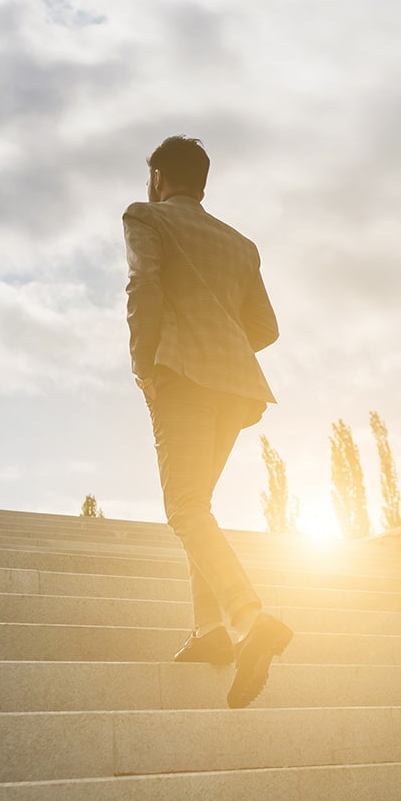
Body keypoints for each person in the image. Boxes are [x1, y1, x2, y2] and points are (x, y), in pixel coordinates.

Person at [124, 135, 293, 708]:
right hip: (236, 390)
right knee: (200, 504)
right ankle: (210, 633)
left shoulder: (143, 216)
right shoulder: (240, 244)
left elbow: (142, 285)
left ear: (155, 177)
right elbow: (265, 327)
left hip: (181, 379)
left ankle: (248, 617)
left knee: (185, 507)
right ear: (203, 182)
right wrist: (221, 339)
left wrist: (144, 363)